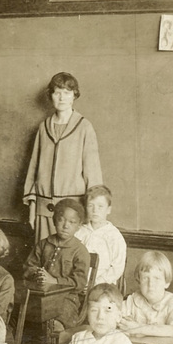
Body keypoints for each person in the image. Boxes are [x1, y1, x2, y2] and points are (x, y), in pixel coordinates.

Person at [23, 71, 102, 241]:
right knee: (43, 260)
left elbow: (93, 176)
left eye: (67, 93)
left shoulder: (84, 127)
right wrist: (32, 211)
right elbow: (33, 171)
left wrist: (91, 214)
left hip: (72, 214)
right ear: (50, 95)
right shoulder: (43, 128)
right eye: (57, 92)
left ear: (74, 96)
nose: (62, 98)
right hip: (44, 213)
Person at [23, 197, 90, 331]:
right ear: (54, 220)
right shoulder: (43, 244)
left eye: (72, 222)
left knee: (55, 322)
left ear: (78, 226)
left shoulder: (80, 251)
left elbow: (79, 283)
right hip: (40, 295)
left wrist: (54, 280)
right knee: (22, 314)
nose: (66, 225)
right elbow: (28, 267)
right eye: (61, 219)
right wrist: (38, 275)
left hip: (67, 300)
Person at [75, 185, 126, 286]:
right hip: (78, 283)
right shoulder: (79, 232)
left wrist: (96, 282)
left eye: (100, 206)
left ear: (108, 210)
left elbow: (117, 268)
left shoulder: (114, 236)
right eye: (90, 206)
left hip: (102, 286)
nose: (95, 210)